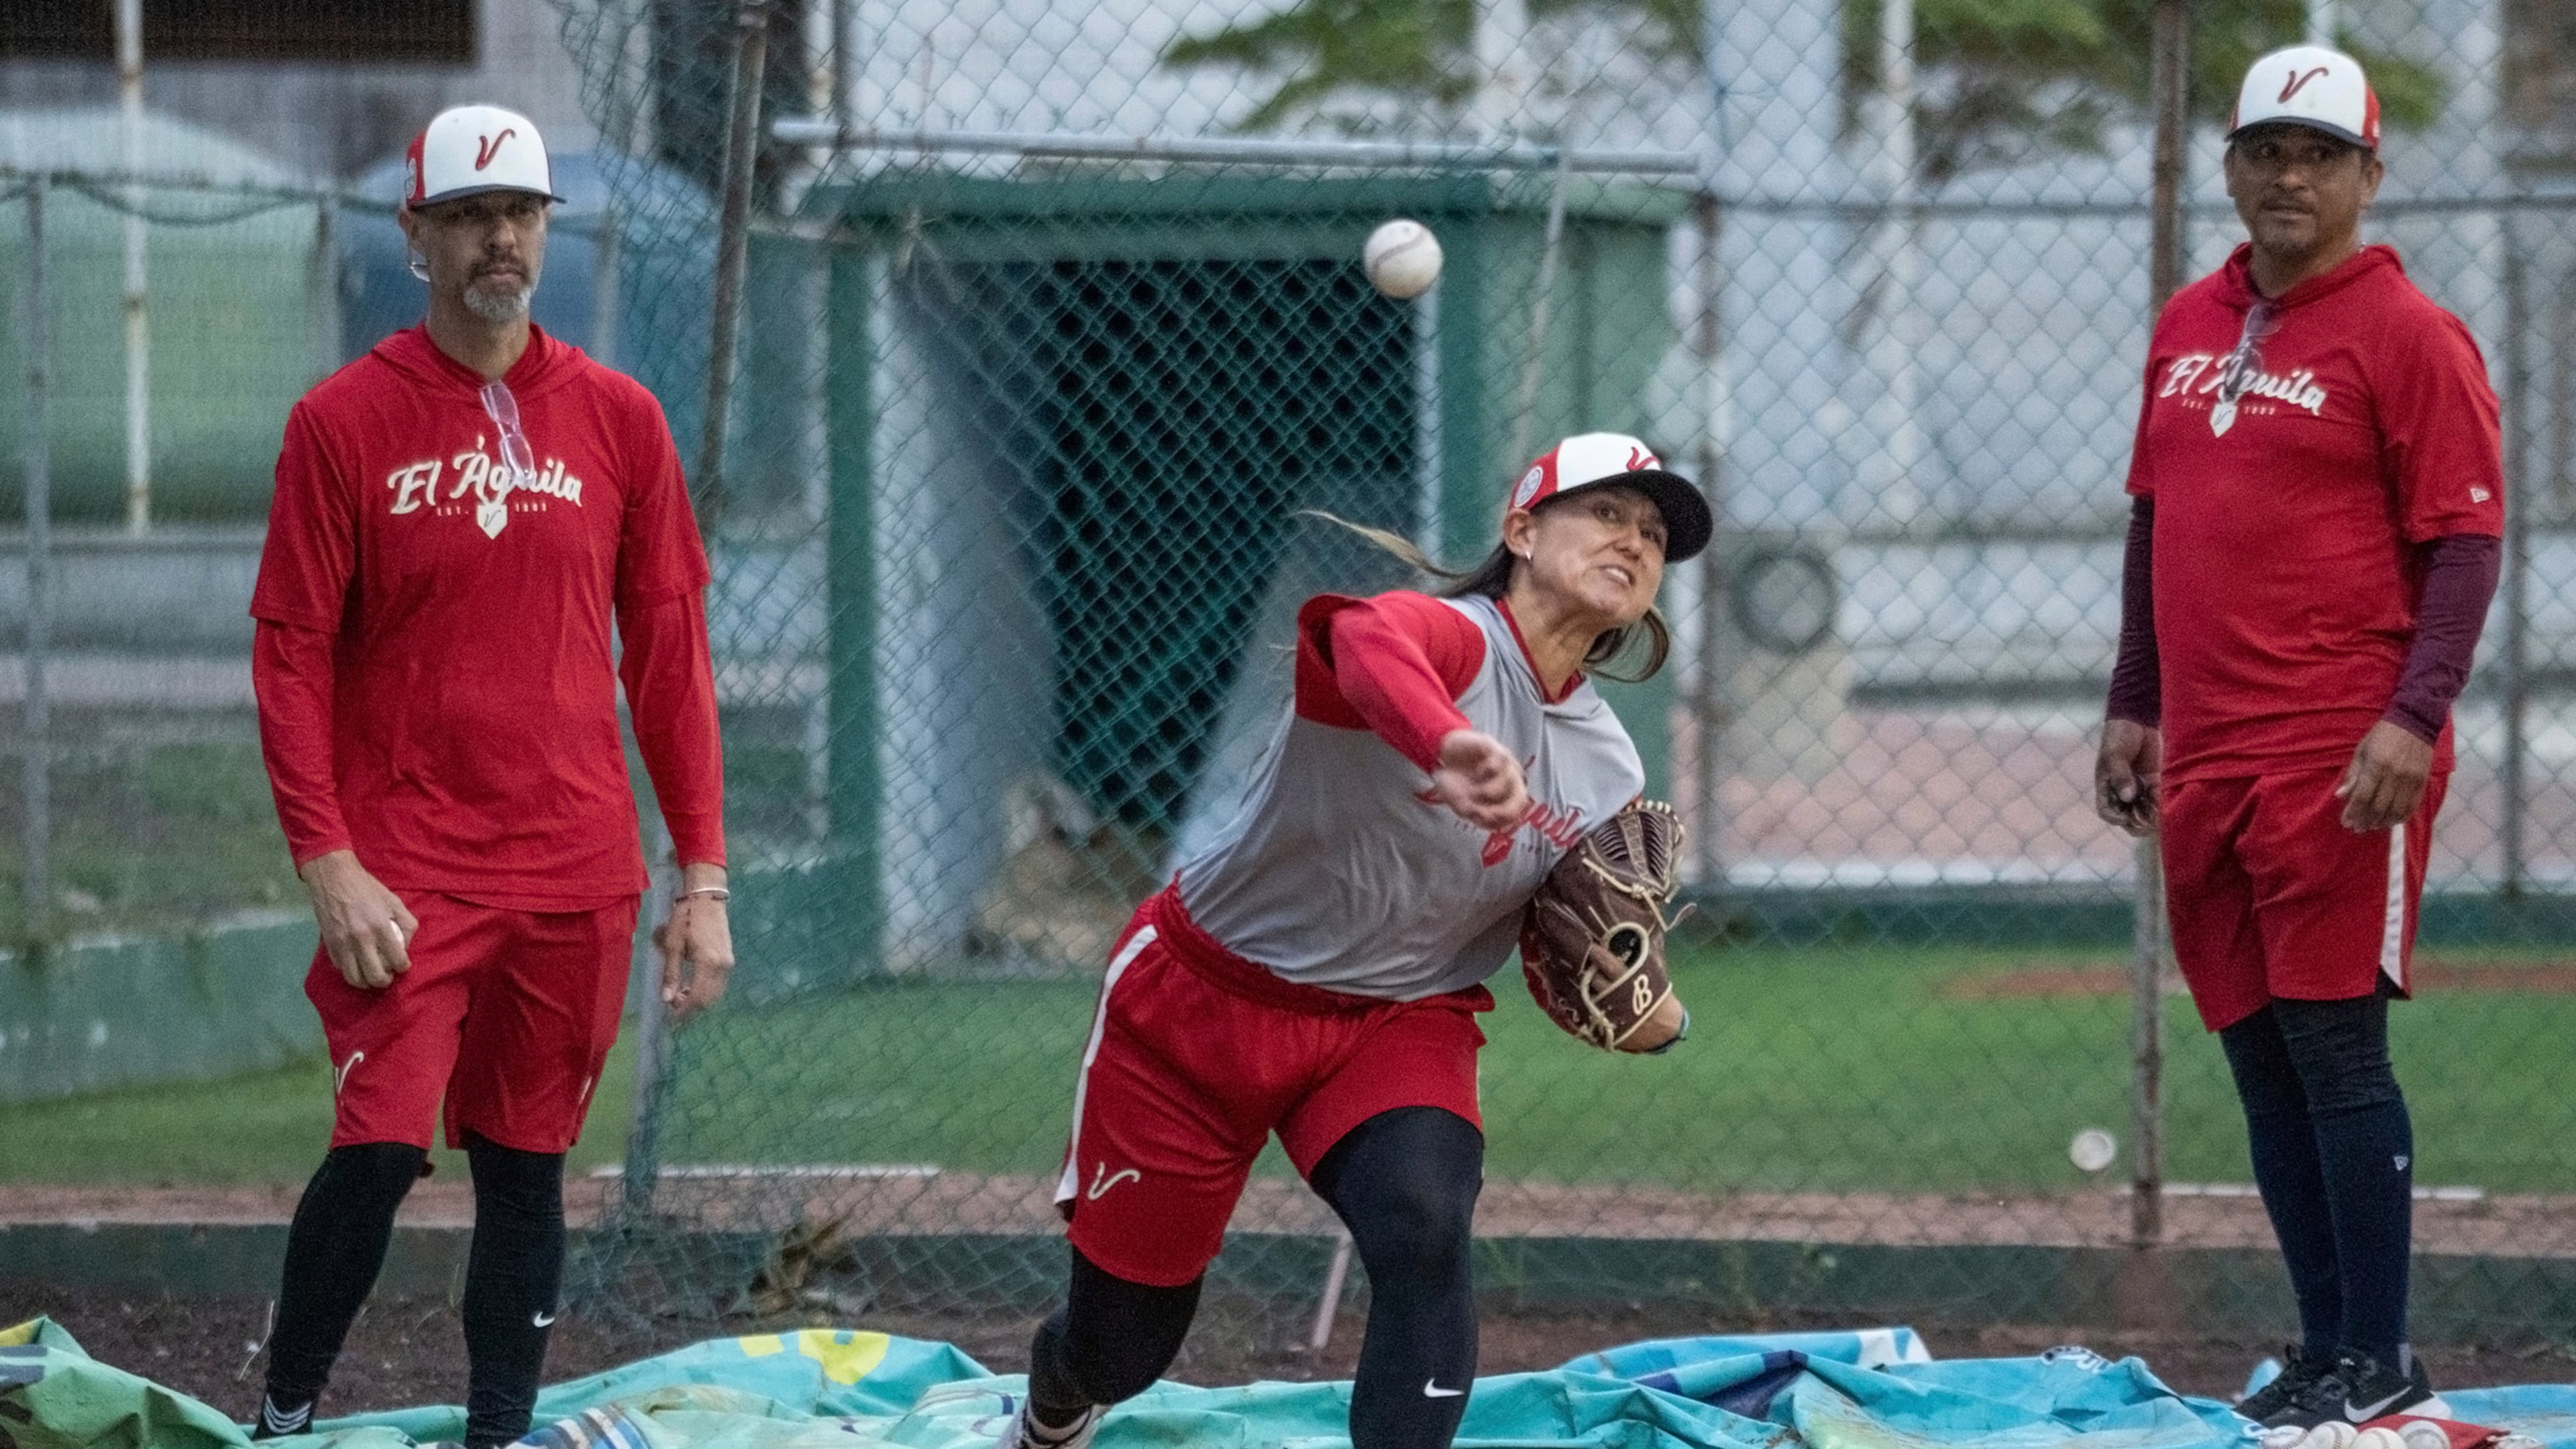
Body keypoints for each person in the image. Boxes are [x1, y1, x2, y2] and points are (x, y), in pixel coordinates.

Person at [994, 432, 1712, 1449]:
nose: (1634, 541)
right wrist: (1447, 741)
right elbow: (1370, 640)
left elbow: (1572, 944)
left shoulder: (1606, 767)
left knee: (1424, 1223)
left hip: (1398, 1019)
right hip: (1203, 1007)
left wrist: (1641, 1002)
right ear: (1521, 530)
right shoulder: (1451, 643)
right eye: (1604, 512)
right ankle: (1054, 1405)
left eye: (1652, 533)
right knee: (1124, 1350)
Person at [246, 104, 734, 1449]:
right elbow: (287, 659)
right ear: (416, 236)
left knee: (529, 1176)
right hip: (408, 873)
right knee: (382, 1151)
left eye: (518, 213)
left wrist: (703, 879)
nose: (498, 239)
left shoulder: (623, 421)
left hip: (577, 870)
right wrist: (327, 860)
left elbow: (672, 662)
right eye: (467, 216)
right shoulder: (340, 423)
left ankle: (501, 1435)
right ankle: (283, 1412)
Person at [2095, 44, 2500, 1430]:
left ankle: (2379, 1357)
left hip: (2340, 751)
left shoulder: (2411, 335)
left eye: (2320, 154)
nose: (2289, 175)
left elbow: (2465, 543)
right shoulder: (2188, 321)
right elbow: (2156, 523)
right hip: (2205, 747)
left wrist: (2412, 718)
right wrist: (2134, 699)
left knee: (2335, 1054)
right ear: (2232, 167)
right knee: (2259, 1054)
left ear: (2368, 177)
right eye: (2266, 149)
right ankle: (2328, 1348)